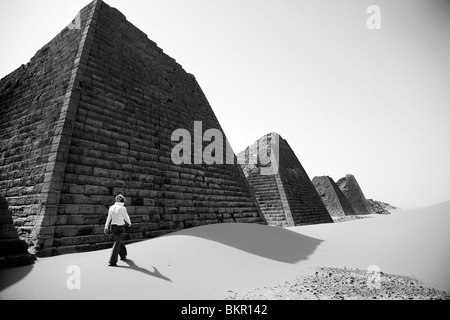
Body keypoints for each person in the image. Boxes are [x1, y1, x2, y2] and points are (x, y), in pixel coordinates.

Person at [104, 194, 132, 266]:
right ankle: (112, 261)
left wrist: (106, 226)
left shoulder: (111, 207)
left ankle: (123, 255)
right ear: (123, 201)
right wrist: (129, 223)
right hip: (120, 227)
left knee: (118, 240)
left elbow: (109, 218)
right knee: (117, 242)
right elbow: (126, 217)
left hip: (112, 227)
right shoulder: (123, 208)